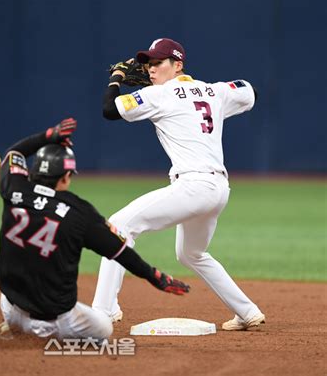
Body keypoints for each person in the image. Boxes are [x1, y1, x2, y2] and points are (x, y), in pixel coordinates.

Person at [92, 38, 265, 331]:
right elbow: (251, 92)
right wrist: (207, 91)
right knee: (191, 253)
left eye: (158, 63)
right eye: (148, 64)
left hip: (193, 186)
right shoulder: (215, 91)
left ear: (177, 65)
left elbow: (109, 110)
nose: (150, 69)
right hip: (218, 190)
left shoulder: (158, 95)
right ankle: (247, 311)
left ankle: (102, 311)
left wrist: (117, 79)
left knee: (118, 227)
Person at [0, 118, 190, 342]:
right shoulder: (78, 212)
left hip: (11, 307)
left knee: (15, 292)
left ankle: (15, 327)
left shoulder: (14, 187)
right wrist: (154, 276)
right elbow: (119, 252)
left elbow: (15, 152)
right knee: (104, 328)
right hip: (55, 323)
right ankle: (41, 335)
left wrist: (49, 135)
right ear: (66, 176)